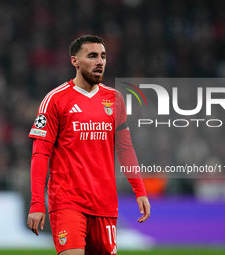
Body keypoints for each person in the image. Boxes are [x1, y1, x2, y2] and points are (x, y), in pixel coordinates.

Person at [27, 35, 150, 255]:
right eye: (92, 56)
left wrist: (140, 190)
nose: (99, 61)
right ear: (75, 61)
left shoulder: (115, 99)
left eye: (103, 56)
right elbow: (40, 153)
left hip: (105, 204)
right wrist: (37, 203)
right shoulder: (55, 99)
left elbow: (125, 149)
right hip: (68, 203)